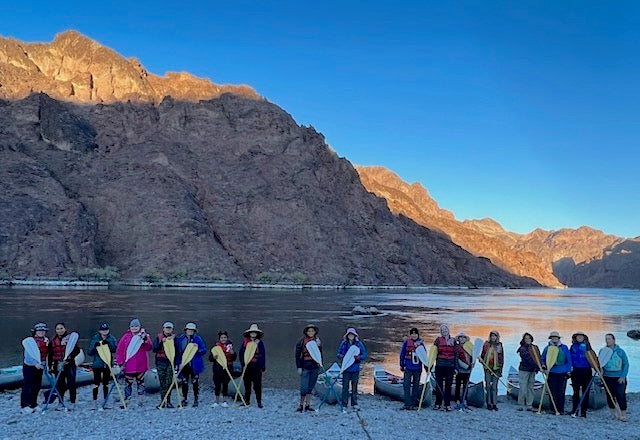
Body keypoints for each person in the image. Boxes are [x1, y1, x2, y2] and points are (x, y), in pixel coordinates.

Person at [116, 319, 152, 407]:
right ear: (130, 327)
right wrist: (120, 363)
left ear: (139, 327)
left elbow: (149, 347)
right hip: (128, 366)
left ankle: (141, 400)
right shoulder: (125, 337)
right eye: (132, 326)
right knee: (128, 383)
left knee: (141, 383)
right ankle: (127, 400)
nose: (134, 328)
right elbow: (119, 351)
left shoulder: (144, 336)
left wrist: (145, 339)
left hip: (141, 365)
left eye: (136, 326)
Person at [47, 322, 80, 410]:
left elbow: (77, 351)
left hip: (69, 364)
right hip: (58, 364)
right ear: (55, 330)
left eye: (61, 328)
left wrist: (70, 356)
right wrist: (50, 367)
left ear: (64, 329)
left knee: (71, 383)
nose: (60, 330)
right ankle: (60, 402)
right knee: (60, 384)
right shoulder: (53, 341)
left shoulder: (70, 339)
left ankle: (73, 401)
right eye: (58, 329)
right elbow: (50, 355)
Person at [176, 322, 207, 408]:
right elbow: (178, 353)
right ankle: (185, 399)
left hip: (194, 364)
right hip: (184, 364)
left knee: (195, 382)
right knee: (184, 382)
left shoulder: (198, 339)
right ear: (186, 330)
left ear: (194, 331)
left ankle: (196, 399)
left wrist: (197, 349)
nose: (190, 331)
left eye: (192, 330)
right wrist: (179, 364)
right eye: (189, 330)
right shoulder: (181, 339)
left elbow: (204, 350)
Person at [87, 323, 117, 409]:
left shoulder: (111, 338)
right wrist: (95, 347)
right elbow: (89, 352)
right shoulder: (95, 338)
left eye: (106, 330)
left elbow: (115, 349)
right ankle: (95, 401)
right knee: (96, 383)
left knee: (106, 383)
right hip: (97, 364)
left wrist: (109, 345)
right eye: (103, 330)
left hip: (107, 363)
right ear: (100, 331)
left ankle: (105, 401)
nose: (105, 332)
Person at [21, 323, 49, 413]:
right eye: (39, 330)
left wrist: (45, 364)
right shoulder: (30, 341)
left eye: (43, 330)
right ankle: (25, 405)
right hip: (29, 366)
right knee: (28, 385)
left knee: (37, 386)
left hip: (40, 366)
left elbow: (46, 355)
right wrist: (35, 363)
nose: (41, 332)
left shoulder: (46, 341)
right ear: (35, 332)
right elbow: (28, 355)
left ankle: (34, 403)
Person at [542, 331, 571, 415]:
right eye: (553, 337)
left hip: (563, 372)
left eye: (556, 337)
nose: (554, 339)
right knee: (552, 391)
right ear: (550, 338)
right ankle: (553, 409)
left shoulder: (564, 347)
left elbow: (569, 360)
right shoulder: (547, 348)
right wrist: (544, 366)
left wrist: (569, 370)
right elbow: (543, 358)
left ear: (558, 338)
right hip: (551, 372)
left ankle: (560, 409)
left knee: (561, 391)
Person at [337, 327, 367, 411]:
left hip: (355, 369)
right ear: (347, 335)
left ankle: (354, 403)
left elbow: (364, 354)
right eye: (349, 334)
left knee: (354, 387)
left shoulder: (359, 344)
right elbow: (338, 353)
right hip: (346, 369)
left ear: (355, 335)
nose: (351, 336)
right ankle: (344, 403)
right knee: (345, 387)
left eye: (352, 334)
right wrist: (341, 356)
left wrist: (359, 357)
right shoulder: (343, 344)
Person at [602, 333, 629, 421]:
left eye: (609, 339)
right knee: (610, 396)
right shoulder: (603, 350)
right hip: (607, 376)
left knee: (620, 395)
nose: (607, 341)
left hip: (619, 377)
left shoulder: (620, 351)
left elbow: (626, 364)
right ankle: (613, 414)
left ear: (613, 340)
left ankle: (623, 414)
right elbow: (600, 363)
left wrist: (623, 376)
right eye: (606, 339)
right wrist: (600, 373)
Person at [295, 324, 322, 412]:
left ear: (315, 332)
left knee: (310, 387)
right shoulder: (301, 342)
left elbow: (320, 354)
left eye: (312, 331)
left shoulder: (318, 342)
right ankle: (301, 405)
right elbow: (297, 355)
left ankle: (308, 405)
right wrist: (299, 367)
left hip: (314, 366)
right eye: (309, 331)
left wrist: (320, 364)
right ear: (306, 332)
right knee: (304, 388)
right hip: (305, 366)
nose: (311, 332)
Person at [239, 323, 266, 408]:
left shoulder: (260, 343)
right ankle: (247, 401)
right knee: (247, 384)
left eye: (255, 332)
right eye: (252, 332)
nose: (253, 333)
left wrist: (262, 365)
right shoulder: (245, 343)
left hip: (256, 366)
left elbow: (262, 354)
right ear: (249, 333)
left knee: (257, 384)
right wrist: (243, 364)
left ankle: (259, 401)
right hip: (247, 365)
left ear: (257, 334)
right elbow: (241, 354)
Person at [152, 321, 178, 408]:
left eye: (169, 328)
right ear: (163, 329)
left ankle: (169, 401)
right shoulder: (158, 338)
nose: (168, 330)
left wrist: (177, 364)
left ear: (172, 329)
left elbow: (178, 351)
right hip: (160, 362)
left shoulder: (175, 339)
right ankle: (163, 401)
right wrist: (161, 343)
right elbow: (154, 349)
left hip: (170, 363)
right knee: (162, 383)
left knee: (169, 383)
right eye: (166, 328)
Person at [209, 330, 236, 408]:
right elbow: (210, 358)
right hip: (217, 368)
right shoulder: (216, 348)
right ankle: (216, 401)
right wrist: (214, 357)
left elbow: (234, 358)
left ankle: (224, 401)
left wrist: (232, 353)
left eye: (225, 337)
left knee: (225, 384)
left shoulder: (230, 347)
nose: (223, 339)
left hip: (228, 368)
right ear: (219, 339)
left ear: (227, 338)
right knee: (217, 384)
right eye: (222, 338)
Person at [399, 327, 424, 410]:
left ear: (418, 334)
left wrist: (427, 367)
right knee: (406, 385)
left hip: (417, 368)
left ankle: (413, 404)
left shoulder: (421, 344)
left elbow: (424, 356)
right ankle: (407, 403)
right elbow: (402, 354)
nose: (414, 335)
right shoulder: (406, 343)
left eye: (415, 334)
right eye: (412, 334)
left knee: (416, 386)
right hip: (408, 367)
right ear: (410, 335)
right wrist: (402, 364)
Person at [433, 324, 457, 411]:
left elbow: (456, 355)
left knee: (448, 385)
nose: (444, 331)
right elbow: (433, 353)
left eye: (445, 329)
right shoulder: (438, 340)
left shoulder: (453, 341)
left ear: (448, 330)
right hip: (440, 365)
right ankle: (438, 403)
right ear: (441, 332)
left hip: (450, 366)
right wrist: (431, 365)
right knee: (438, 385)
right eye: (442, 330)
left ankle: (447, 404)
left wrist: (456, 367)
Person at [569, 331, 592, 417]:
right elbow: (570, 357)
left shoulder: (588, 347)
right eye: (578, 337)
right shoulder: (572, 347)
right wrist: (569, 368)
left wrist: (594, 368)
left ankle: (583, 411)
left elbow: (592, 357)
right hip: (575, 371)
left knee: (586, 391)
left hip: (586, 370)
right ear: (575, 338)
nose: (579, 338)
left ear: (584, 338)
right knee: (576, 391)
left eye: (581, 337)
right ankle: (574, 410)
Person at [480, 330, 503, 411]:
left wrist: (500, 371)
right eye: (492, 336)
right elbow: (482, 355)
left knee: (494, 386)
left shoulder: (499, 345)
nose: (493, 337)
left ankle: (494, 403)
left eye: (495, 336)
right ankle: (489, 403)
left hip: (496, 369)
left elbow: (502, 359)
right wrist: (481, 360)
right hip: (487, 368)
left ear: (497, 337)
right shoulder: (486, 344)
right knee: (488, 385)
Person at [516, 332, 539, 411]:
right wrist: (536, 366)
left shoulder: (535, 347)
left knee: (530, 388)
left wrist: (540, 366)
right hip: (524, 370)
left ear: (531, 339)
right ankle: (520, 404)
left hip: (532, 370)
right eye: (526, 338)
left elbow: (538, 357)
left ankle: (529, 404)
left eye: (529, 338)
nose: (528, 340)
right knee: (523, 388)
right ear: (523, 340)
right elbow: (528, 359)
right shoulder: (522, 349)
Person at [454, 332, 472, 408]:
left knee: (465, 385)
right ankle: (457, 399)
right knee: (458, 385)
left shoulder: (469, 347)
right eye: (460, 337)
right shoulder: (457, 347)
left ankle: (464, 399)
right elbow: (455, 359)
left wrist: (472, 364)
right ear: (458, 339)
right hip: (459, 369)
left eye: (463, 337)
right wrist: (456, 368)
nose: (462, 339)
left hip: (467, 369)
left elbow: (472, 357)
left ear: (466, 339)